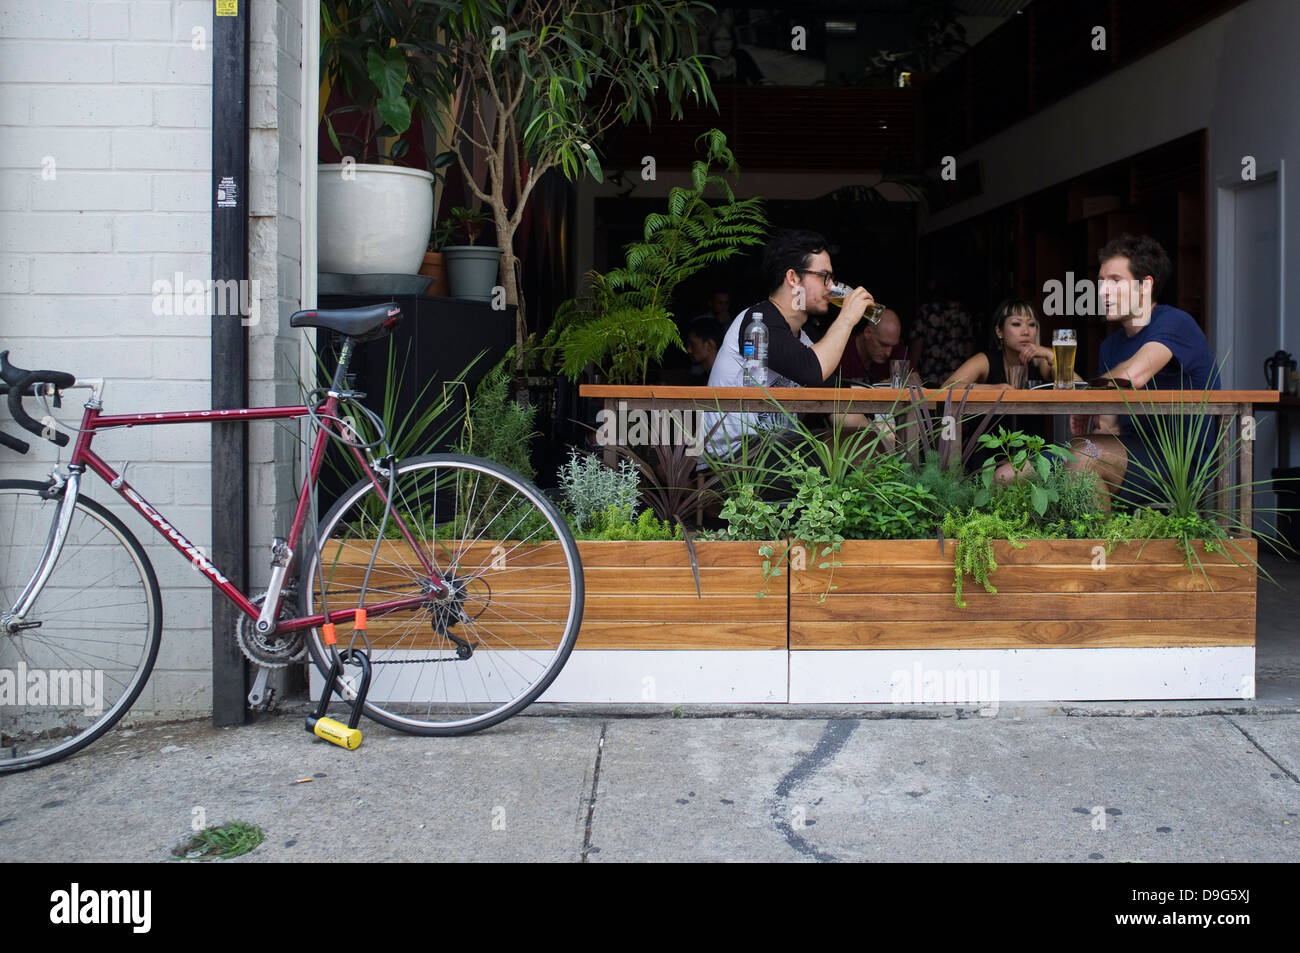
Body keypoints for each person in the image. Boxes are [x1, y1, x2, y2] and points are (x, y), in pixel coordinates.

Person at [1067, 235, 1220, 512]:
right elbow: (1109, 424)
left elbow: (1132, 377)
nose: (1102, 291)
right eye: (1101, 282)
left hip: (1180, 461)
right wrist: (1098, 420)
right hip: (1132, 452)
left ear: (1145, 286)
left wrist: (1086, 397)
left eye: (1115, 281)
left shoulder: (1175, 322)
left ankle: (1101, 553)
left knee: (1082, 456)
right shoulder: (1110, 346)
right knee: (1011, 475)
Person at [704, 229, 875, 457]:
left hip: (778, 455)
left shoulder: (804, 338)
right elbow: (811, 370)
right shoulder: (758, 321)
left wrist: (878, 437)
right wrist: (847, 317)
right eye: (824, 277)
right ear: (793, 278)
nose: (831, 286)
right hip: (735, 459)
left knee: (853, 442)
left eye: (832, 278)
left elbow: (839, 404)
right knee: (830, 450)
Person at [944, 299, 1058, 479]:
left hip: (1031, 454)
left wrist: (1051, 355)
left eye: (1032, 324)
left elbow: (1080, 386)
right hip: (987, 456)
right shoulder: (987, 360)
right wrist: (990, 389)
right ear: (999, 331)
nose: (1026, 331)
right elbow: (947, 388)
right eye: (1016, 324)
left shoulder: (1042, 363)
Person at [910, 287, 974, 386]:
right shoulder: (962, 312)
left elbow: (917, 346)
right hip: (955, 377)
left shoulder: (926, 311)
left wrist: (911, 370)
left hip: (930, 375)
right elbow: (969, 347)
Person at [836, 308, 918, 385]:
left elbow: (917, 382)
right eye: (883, 345)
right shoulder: (841, 349)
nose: (888, 353)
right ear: (868, 333)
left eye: (893, 346)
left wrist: (890, 384)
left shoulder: (895, 347)